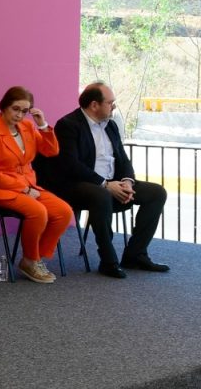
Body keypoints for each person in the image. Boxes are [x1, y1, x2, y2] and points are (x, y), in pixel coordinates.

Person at [47, 82, 168, 278]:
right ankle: (108, 260)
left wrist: (127, 181)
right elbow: (71, 165)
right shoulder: (68, 125)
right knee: (101, 195)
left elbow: (122, 158)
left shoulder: (110, 125)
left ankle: (135, 254)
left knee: (156, 192)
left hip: (112, 182)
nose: (114, 106)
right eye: (110, 103)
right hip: (78, 185)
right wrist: (105, 184)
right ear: (94, 105)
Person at [0, 86, 72, 284]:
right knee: (38, 212)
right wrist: (24, 189)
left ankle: (34, 259)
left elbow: (51, 151)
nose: (19, 115)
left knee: (64, 212)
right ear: (4, 107)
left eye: (24, 111)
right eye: (15, 109)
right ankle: (31, 260)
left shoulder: (27, 126)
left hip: (27, 185)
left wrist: (43, 125)